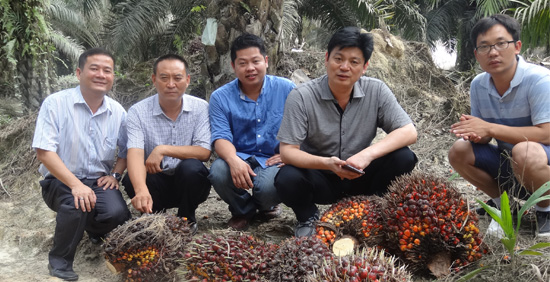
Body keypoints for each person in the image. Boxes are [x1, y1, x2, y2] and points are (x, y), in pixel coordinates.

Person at [275, 27, 418, 237]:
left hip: (360, 174)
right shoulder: (302, 96)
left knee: (404, 157)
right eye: (338, 58)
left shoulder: (376, 90)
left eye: (354, 62)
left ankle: (371, 209)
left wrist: (366, 155)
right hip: (321, 176)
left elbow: (409, 132)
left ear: (365, 67)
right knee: (286, 177)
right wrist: (327, 163)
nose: (344, 67)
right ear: (326, 59)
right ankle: (308, 217)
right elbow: (287, 152)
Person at [32, 48, 131, 281]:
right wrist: (75, 184)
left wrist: (115, 175)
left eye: (107, 70)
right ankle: (60, 261)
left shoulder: (117, 111)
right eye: (94, 68)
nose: (101, 74)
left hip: (98, 181)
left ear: (113, 76)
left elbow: (127, 151)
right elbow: (44, 152)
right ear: (79, 72)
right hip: (60, 180)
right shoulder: (56, 104)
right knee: (77, 204)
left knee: (118, 214)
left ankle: (94, 232)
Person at [448, 14, 550, 238]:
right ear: (476, 54)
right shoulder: (478, 85)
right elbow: (484, 135)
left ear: (517, 47)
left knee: (525, 150)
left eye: (501, 43)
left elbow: (547, 133)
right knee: (459, 150)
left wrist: (490, 129)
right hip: (513, 164)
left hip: (540, 163)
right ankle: (504, 207)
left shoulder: (540, 80)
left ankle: (546, 210)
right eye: (484, 47)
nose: (493, 52)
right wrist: (475, 133)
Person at [208, 33, 296, 230]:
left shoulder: (287, 89)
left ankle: (266, 205)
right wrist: (233, 161)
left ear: (266, 61)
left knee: (266, 189)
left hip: (273, 157)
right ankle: (243, 211)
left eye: (255, 61)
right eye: (242, 63)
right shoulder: (220, 98)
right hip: (239, 155)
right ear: (233, 66)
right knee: (218, 171)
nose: (250, 68)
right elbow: (220, 136)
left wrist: (290, 153)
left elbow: (301, 127)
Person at [123, 54, 211, 233]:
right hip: (156, 182)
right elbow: (135, 153)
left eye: (177, 78)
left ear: (187, 80)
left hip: (188, 183)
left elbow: (204, 152)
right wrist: (140, 190)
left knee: (193, 167)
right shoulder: (137, 112)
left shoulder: (201, 108)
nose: (171, 84)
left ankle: (187, 219)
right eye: (164, 78)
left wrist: (163, 149)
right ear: (154, 80)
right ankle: (155, 217)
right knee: (131, 180)